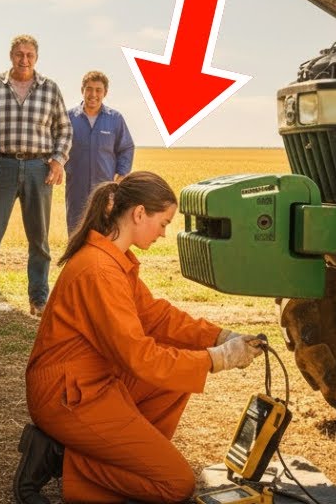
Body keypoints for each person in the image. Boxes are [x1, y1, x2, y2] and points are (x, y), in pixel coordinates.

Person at [14, 172, 265, 504]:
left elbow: (158, 317)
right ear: (138, 214)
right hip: (68, 396)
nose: (163, 233)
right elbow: (139, 356)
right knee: (175, 485)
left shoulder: (112, 261)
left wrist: (221, 336)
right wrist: (219, 358)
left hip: (91, 385)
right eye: (163, 223)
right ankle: (59, 457)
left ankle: (128, 461)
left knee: (177, 374)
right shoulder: (99, 270)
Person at [0, 35, 72, 318]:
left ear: (36, 58)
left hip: (39, 168)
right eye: (19, 54)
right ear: (11, 55)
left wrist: (58, 161)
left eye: (30, 55)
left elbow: (64, 130)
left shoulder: (50, 89)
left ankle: (38, 298)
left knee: (39, 239)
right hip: (2, 166)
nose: (24, 60)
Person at [64, 70, 134, 234]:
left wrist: (121, 176)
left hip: (105, 189)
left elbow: (126, 148)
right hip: (76, 188)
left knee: (104, 231)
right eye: (89, 89)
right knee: (76, 231)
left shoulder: (115, 119)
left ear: (105, 93)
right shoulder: (68, 118)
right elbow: (58, 145)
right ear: (82, 90)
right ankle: (77, 260)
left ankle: (102, 261)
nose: (93, 94)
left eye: (98, 90)